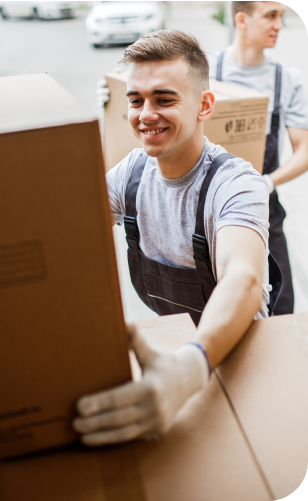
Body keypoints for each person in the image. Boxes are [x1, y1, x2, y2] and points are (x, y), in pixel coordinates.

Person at [72, 30, 281, 446]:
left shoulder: (236, 184)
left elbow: (243, 278)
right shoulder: (130, 174)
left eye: (164, 99)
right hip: (173, 348)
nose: (145, 114)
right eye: (135, 101)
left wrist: (189, 368)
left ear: (204, 105)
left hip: (237, 357)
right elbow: (68, 230)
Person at [207, 1, 308, 315]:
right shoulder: (206, 71)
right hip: (208, 209)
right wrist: (119, 98)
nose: (279, 24)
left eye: (281, 16)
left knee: (280, 308)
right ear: (242, 19)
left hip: (265, 210)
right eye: (271, 16)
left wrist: (267, 183)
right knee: (215, 307)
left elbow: (304, 150)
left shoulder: (285, 79)